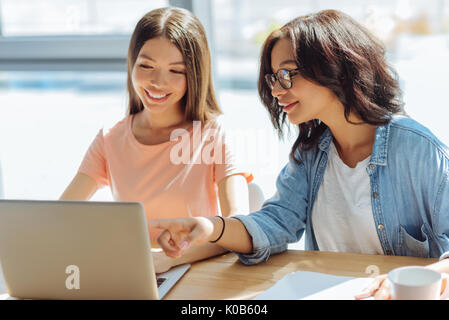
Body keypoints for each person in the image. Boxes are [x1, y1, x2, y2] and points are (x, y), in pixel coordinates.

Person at [150, 9, 449, 299]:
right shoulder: (310, 154)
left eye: (286, 74)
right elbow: (274, 223)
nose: (277, 90)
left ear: (338, 69)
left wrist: (409, 282)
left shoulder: (418, 149)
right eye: (273, 78)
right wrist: (209, 227)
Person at [60, 7, 252, 273]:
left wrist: (167, 259)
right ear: (132, 64)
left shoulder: (213, 136)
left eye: (176, 71)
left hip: (194, 274)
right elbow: (58, 215)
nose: (157, 82)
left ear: (195, 75)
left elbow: (240, 229)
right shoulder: (110, 139)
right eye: (146, 66)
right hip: (134, 272)